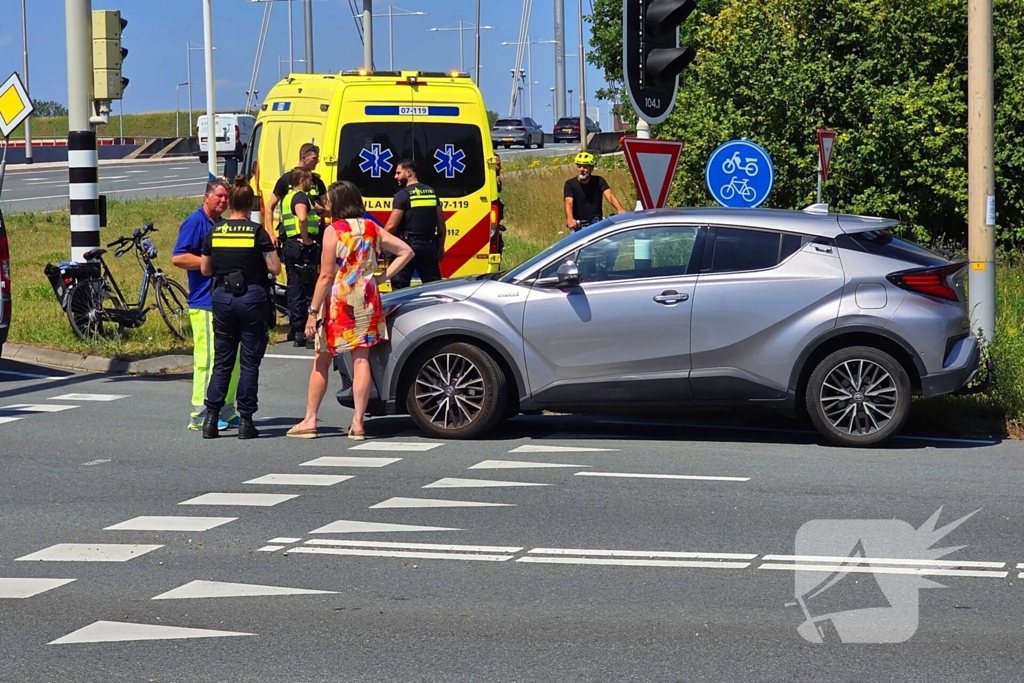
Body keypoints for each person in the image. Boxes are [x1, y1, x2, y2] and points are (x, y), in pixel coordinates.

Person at [287, 180, 414, 440]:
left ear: (338, 203)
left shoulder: (334, 231)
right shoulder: (371, 227)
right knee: (361, 359)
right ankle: (358, 422)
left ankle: (310, 420)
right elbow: (406, 251)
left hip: (339, 302)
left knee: (321, 359)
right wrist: (381, 277)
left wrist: (312, 311)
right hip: (367, 299)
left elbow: (326, 276)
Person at [199, 174, 282, 439]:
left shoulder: (215, 231)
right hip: (252, 299)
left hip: (222, 299)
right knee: (249, 363)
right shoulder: (257, 232)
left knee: (222, 362)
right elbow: (275, 268)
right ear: (250, 205)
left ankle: (210, 419)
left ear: (231, 202)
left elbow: (205, 269)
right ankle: (246, 421)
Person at [172, 178, 241, 432]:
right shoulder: (195, 222)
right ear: (207, 196)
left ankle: (225, 408)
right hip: (203, 302)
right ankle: (201, 413)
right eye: (219, 196)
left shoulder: (221, 224)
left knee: (232, 359)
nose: (223, 201)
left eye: (226, 197)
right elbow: (178, 257)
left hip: (224, 300)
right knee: (208, 359)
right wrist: (208, 263)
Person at [384, 159, 446, 290]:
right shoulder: (431, 192)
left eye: (398, 173)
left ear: (408, 173)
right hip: (429, 246)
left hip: (407, 246)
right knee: (433, 288)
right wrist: (441, 246)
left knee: (400, 288)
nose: (395, 177)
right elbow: (441, 224)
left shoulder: (402, 195)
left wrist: (379, 243)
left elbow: (391, 226)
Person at [280, 167, 322, 347]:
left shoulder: (288, 196)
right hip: (303, 247)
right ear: (302, 180)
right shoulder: (300, 197)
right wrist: (306, 239)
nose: (312, 183)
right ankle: (308, 332)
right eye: (310, 179)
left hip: (291, 245)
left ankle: (297, 331)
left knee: (295, 287)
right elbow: (303, 218)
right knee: (308, 288)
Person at [564, 151, 627, 232]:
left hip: (598, 224)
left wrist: (620, 209)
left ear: (591, 168)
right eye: (579, 166)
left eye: (585, 167)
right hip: (579, 226)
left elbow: (610, 196)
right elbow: (568, 202)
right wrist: (570, 219)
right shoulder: (570, 184)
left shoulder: (599, 181)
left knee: (612, 240)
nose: (581, 170)